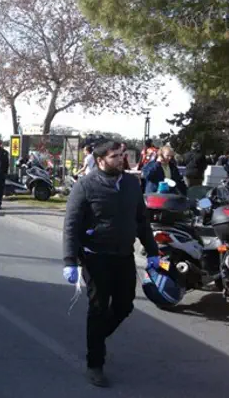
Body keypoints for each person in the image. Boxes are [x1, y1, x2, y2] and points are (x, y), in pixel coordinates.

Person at [63, 140, 160, 388]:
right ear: (100, 160)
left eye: (123, 155)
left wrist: (152, 250)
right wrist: (70, 261)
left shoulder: (130, 183)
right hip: (96, 257)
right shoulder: (85, 186)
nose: (121, 159)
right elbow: (71, 225)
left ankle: (96, 338)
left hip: (123, 255)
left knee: (125, 305)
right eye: (115, 156)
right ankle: (95, 363)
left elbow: (141, 220)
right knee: (98, 308)